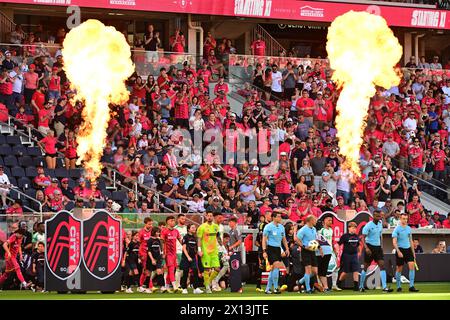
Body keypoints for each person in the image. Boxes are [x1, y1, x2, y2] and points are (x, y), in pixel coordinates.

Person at [360, 210, 393, 293]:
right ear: (373, 216)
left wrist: (381, 246)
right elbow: (362, 237)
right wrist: (366, 248)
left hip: (378, 248)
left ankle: (384, 287)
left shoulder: (380, 224)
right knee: (366, 266)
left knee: (382, 265)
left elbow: (380, 236)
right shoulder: (368, 225)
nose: (379, 218)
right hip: (370, 247)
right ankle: (361, 286)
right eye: (377, 216)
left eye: (380, 216)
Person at [262, 211, 290, 294]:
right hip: (271, 248)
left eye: (280, 216)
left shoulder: (281, 227)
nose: (280, 218)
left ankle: (268, 289)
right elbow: (264, 239)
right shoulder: (268, 227)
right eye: (278, 216)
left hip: (278, 248)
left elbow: (284, 239)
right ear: (273, 217)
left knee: (274, 269)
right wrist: (264, 251)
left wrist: (287, 248)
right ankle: (275, 288)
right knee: (277, 267)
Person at [392, 213, 419, 292]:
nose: (405, 220)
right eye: (403, 218)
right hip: (400, 250)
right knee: (399, 269)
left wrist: (413, 252)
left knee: (412, 266)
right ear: (400, 218)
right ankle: (398, 286)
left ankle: (411, 286)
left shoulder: (408, 228)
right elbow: (394, 242)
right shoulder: (396, 229)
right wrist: (398, 251)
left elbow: (410, 241)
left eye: (406, 219)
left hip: (408, 250)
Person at [197, 211, 222, 294]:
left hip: (214, 251)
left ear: (213, 217)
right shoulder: (202, 227)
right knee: (207, 269)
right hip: (205, 251)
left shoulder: (216, 227)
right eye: (208, 216)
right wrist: (199, 250)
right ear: (206, 217)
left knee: (217, 269)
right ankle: (207, 287)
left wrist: (222, 247)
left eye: (211, 216)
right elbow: (199, 239)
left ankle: (207, 282)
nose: (210, 217)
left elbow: (217, 237)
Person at [296, 215, 320, 294]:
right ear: (310, 221)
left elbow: (315, 239)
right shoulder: (303, 230)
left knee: (315, 272)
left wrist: (319, 247)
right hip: (305, 251)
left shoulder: (314, 229)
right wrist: (304, 246)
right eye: (314, 220)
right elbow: (297, 240)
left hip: (312, 251)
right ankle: (308, 289)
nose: (316, 221)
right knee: (308, 270)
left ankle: (300, 282)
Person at [161, 216, 182, 293]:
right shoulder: (164, 231)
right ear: (167, 222)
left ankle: (166, 287)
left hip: (174, 253)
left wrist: (184, 247)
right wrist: (163, 252)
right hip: (167, 253)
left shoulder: (176, 231)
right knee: (171, 269)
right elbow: (162, 242)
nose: (173, 222)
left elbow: (180, 240)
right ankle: (174, 286)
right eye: (171, 220)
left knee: (172, 270)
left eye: (174, 220)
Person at [180, 224, 203, 294]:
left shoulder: (194, 237)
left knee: (195, 271)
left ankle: (196, 288)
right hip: (186, 258)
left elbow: (195, 248)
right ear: (188, 229)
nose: (194, 229)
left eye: (195, 227)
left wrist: (199, 252)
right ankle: (184, 288)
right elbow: (184, 248)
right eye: (192, 227)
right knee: (185, 272)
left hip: (193, 257)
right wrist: (188, 257)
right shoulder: (185, 237)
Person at [336, 222, 360, 291]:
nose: (354, 229)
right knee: (345, 272)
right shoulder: (345, 236)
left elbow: (357, 245)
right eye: (353, 228)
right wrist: (337, 251)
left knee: (356, 270)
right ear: (349, 228)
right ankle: (339, 283)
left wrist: (357, 253)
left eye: (355, 228)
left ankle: (356, 286)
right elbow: (338, 244)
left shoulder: (356, 236)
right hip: (346, 255)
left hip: (354, 255)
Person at [317, 215, 333, 292]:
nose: (330, 222)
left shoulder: (331, 230)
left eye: (331, 220)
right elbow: (318, 240)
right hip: (320, 252)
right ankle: (319, 286)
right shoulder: (321, 231)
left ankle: (326, 287)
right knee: (317, 270)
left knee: (324, 270)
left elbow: (331, 241)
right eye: (328, 220)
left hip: (329, 251)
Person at [147, 227, 166, 292]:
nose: (158, 233)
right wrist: (152, 259)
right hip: (150, 259)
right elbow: (149, 251)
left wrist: (162, 255)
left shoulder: (158, 240)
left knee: (159, 271)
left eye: (159, 232)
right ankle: (148, 288)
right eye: (157, 232)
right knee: (148, 274)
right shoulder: (149, 240)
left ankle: (162, 287)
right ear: (154, 232)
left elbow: (160, 249)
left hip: (158, 259)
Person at [137, 217, 153, 293]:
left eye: (151, 224)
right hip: (143, 253)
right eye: (149, 224)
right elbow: (138, 244)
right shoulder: (141, 232)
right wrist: (140, 255)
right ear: (145, 224)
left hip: (150, 253)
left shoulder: (151, 232)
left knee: (145, 271)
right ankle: (150, 286)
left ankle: (140, 285)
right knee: (147, 270)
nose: (150, 225)